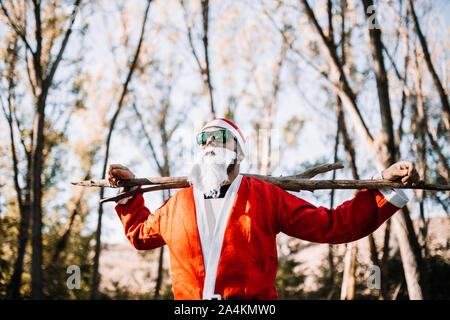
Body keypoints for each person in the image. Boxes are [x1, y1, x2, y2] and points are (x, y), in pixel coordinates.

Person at [108, 118, 420, 300]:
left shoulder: (266, 197)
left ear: (239, 154)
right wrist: (128, 191)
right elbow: (139, 234)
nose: (209, 144)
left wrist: (382, 185)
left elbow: (333, 225)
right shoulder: (177, 205)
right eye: (203, 138)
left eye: (220, 138)